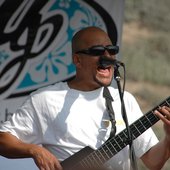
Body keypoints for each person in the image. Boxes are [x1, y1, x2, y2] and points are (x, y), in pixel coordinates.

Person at [0, 26, 170, 170]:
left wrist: (169, 138)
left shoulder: (125, 100)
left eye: (111, 51)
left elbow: (153, 162)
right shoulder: (45, 99)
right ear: (77, 60)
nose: (107, 57)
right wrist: (34, 150)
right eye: (97, 51)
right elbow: (3, 139)